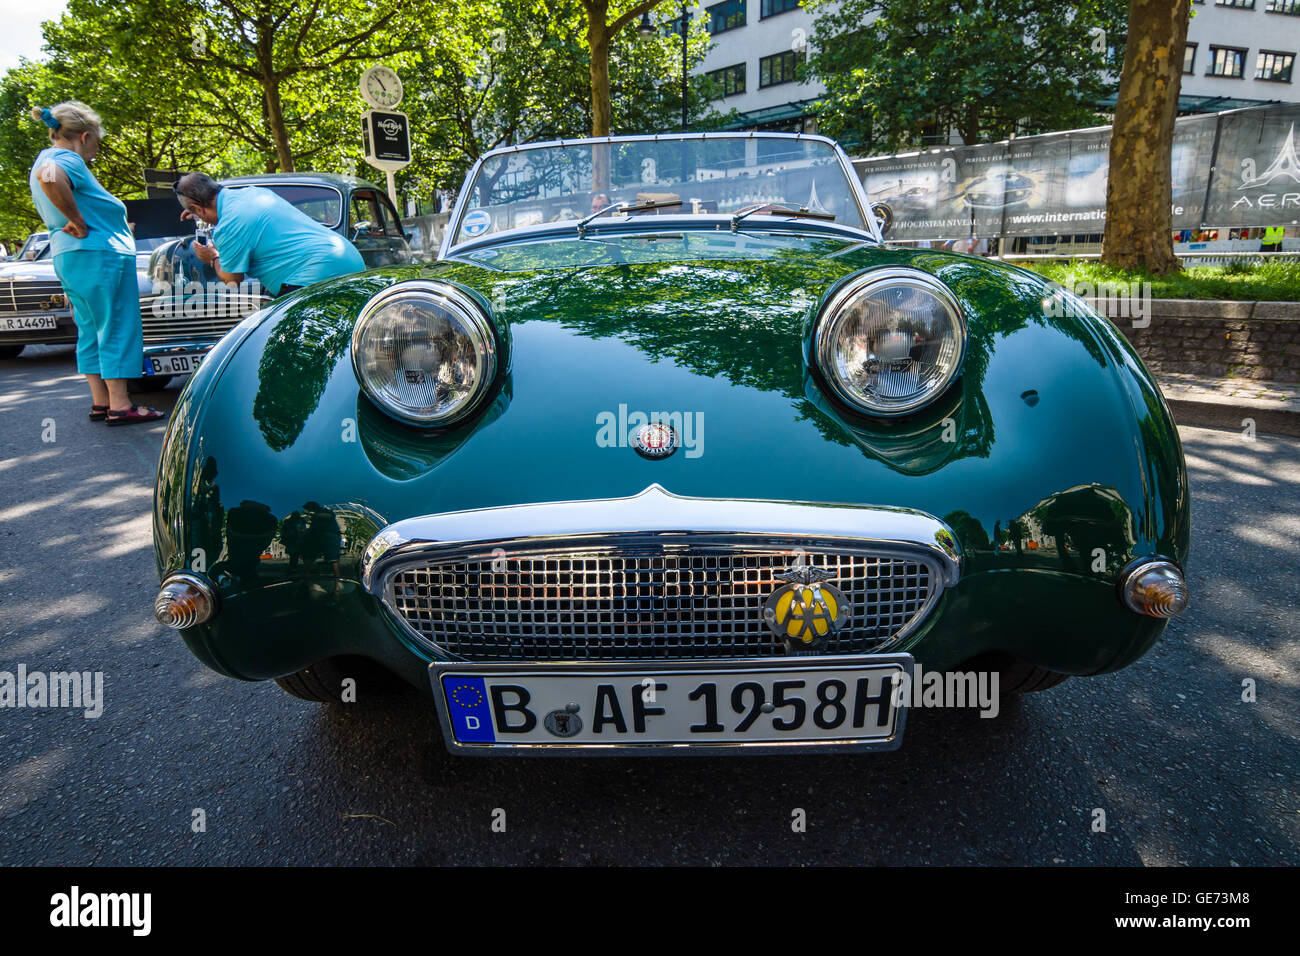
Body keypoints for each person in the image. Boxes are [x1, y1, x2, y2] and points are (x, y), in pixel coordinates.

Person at [27, 102, 163, 426]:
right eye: (97, 144)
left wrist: (102, 223)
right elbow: (51, 179)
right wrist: (79, 220)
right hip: (99, 255)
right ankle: (121, 404)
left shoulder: (44, 158)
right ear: (84, 137)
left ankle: (101, 401)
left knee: (90, 328)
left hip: (70, 256)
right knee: (116, 325)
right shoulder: (64, 159)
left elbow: (51, 184)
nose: (95, 152)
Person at [172, 172, 364, 297]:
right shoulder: (253, 193)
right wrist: (199, 212)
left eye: (197, 211)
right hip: (349, 259)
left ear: (199, 208)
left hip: (313, 275)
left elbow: (232, 280)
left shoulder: (229, 225)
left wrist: (213, 257)